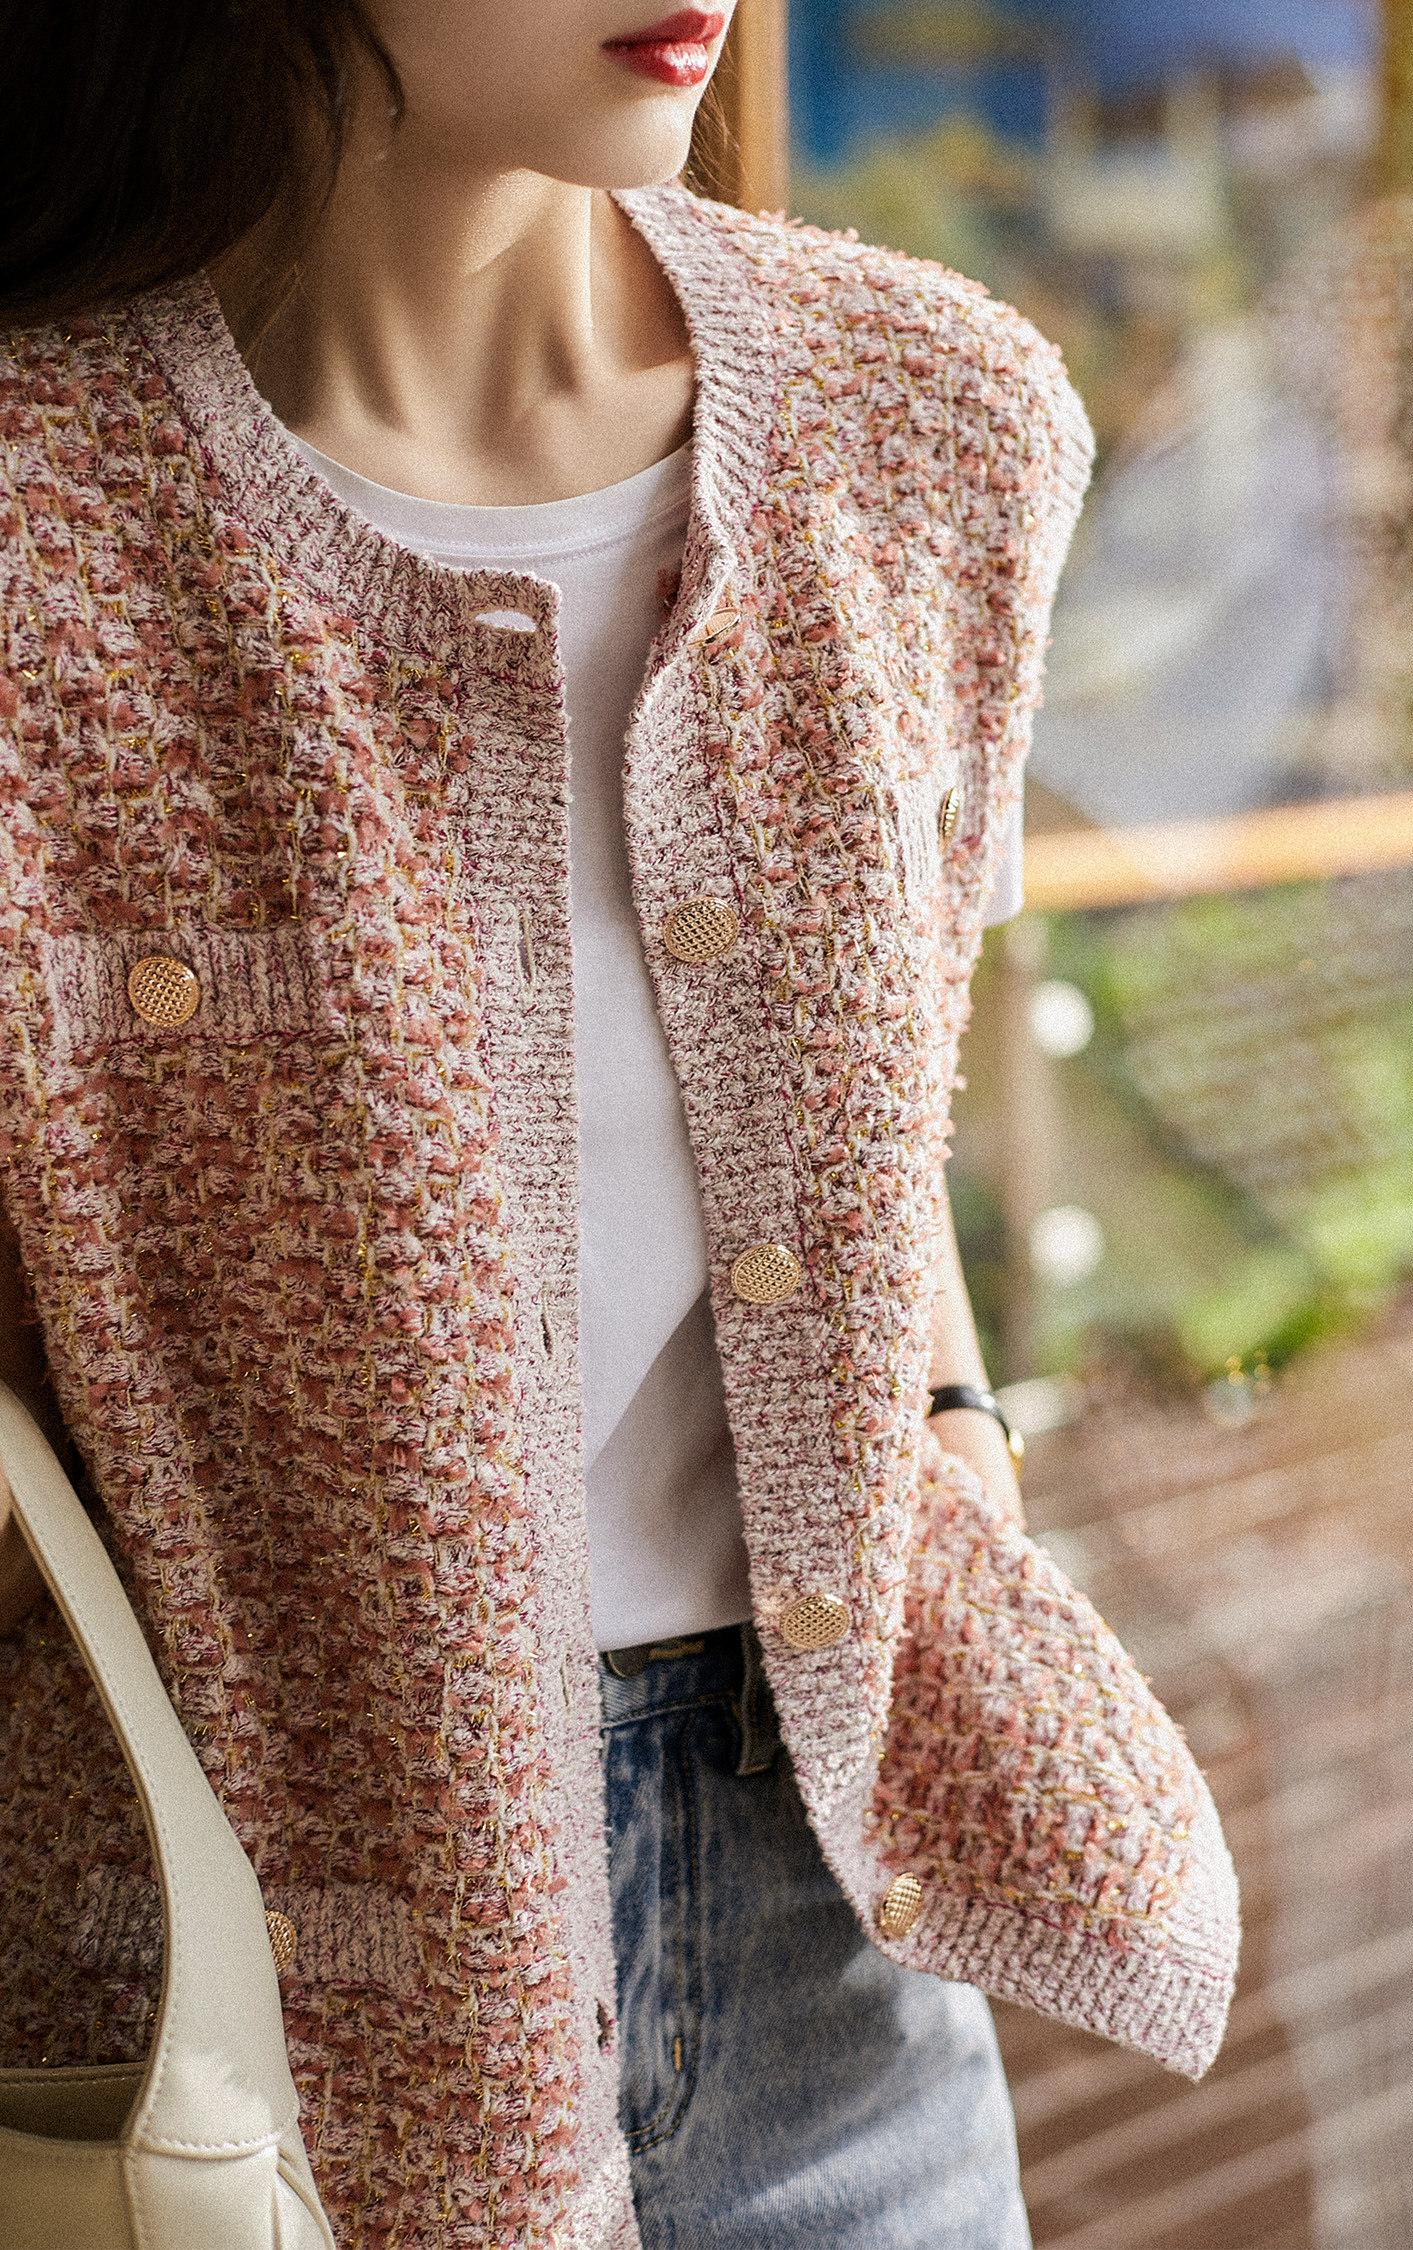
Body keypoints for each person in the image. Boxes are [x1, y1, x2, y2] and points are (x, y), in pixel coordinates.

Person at [0, 6, 1239, 2246]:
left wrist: (953, 1426)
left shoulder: (926, 418)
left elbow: (875, 1103)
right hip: (234, 1987)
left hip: (829, 1922)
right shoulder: (44, 522)